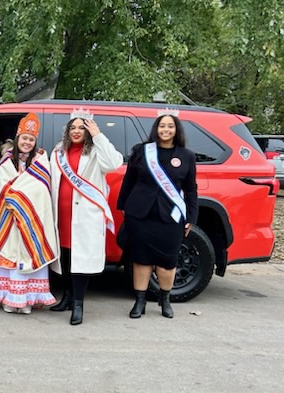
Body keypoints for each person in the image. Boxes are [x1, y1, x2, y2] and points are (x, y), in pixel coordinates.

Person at [116, 108, 198, 319]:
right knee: (141, 260)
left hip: (170, 217)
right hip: (140, 215)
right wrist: (123, 205)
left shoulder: (186, 156)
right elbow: (129, 180)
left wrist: (191, 218)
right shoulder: (141, 151)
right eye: (162, 126)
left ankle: (165, 300)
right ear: (156, 128)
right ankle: (139, 301)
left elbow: (190, 189)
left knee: (168, 261)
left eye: (170, 126)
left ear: (176, 130)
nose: (166, 129)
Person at [48, 109, 123, 325]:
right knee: (67, 257)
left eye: (82, 127)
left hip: (84, 215)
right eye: (73, 127)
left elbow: (113, 163)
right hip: (62, 215)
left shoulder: (96, 152)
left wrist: (98, 135)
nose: (76, 131)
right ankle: (68, 298)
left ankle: (79, 304)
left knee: (80, 261)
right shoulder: (59, 152)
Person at [0, 113, 58, 313]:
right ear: (18, 139)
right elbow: (1, 190)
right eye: (24, 138)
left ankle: (28, 299)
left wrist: (20, 197)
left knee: (28, 251)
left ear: (35, 142)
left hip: (31, 219)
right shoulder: (6, 162)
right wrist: (18, 196)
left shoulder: (42, 162)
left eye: (31, 139)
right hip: (8, 221)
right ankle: (9, 298)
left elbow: (42, 192)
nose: (27, 142)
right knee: (10, 255)